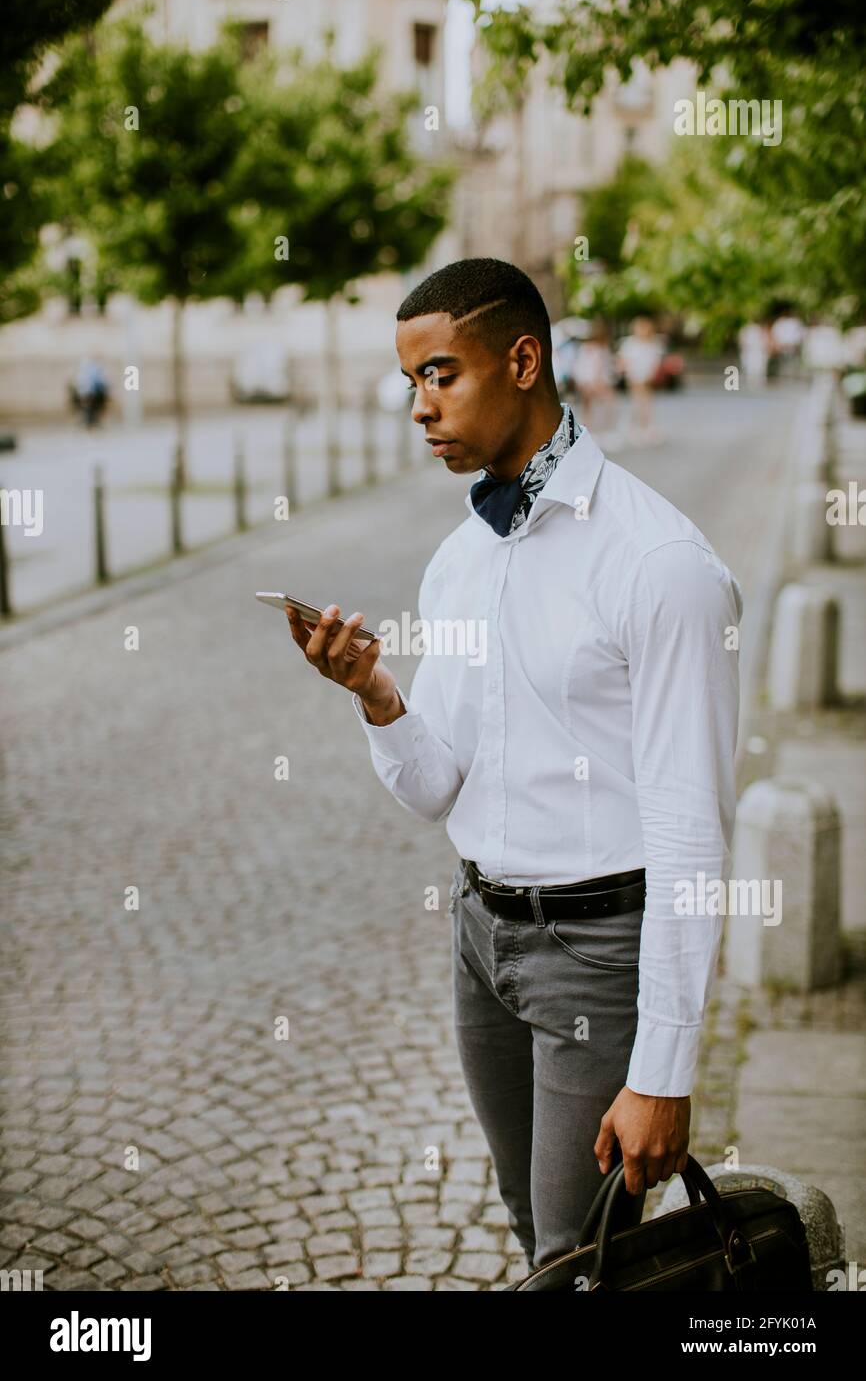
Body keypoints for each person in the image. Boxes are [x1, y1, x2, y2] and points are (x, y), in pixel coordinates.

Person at [283, 257, 742, 1276]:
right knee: (536, 1233)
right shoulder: (460, 559)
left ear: (522, 360)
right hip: (479, 939)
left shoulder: (659, 565)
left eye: (439, 374)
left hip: (598, 950)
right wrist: (374, 694)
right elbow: (435, 782)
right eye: (410, 383)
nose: (418, 406)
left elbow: (690, 830)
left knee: (582, 1259)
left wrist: (662, 1070)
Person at [617, 316, 664, 446]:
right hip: (635, 377)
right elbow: (623, 361)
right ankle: (636, 428)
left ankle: (646, 427)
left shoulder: (652, 344)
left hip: (646, 377)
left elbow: (655, 361)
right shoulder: (630, 344)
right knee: (637, 403)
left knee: (646, 404)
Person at [573, 318, 618, 444]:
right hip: (591, 381)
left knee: (599, 406)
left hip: (596, 381)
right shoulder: (589, 349)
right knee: (593, 407)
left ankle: (601, 431)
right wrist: (587, 382)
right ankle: (593, 432)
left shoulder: (599, 349)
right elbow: (584, 366)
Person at [72, 356, 109, 427]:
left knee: (91, 401)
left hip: (93, 396)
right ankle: (89, 418)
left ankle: (90, 418)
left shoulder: (93, 372)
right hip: (87, 395)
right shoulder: (84, 373)